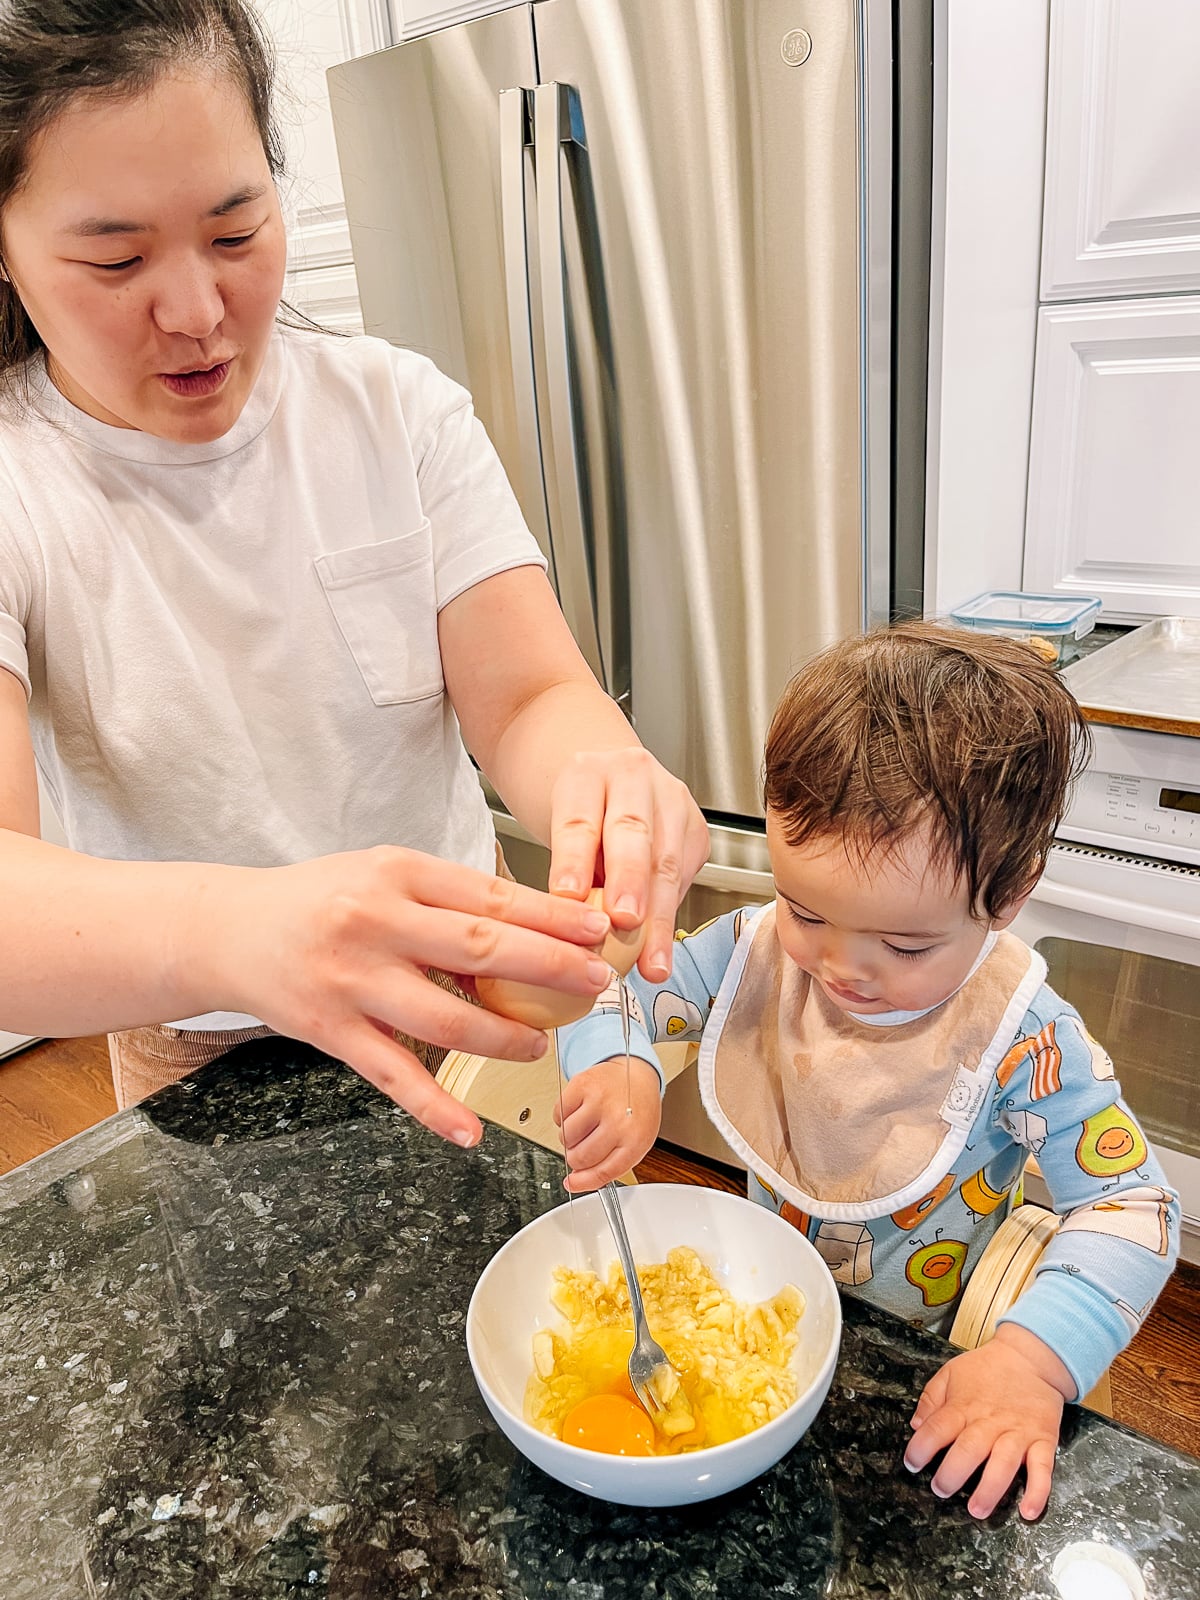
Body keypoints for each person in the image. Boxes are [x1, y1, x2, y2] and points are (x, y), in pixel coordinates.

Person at [0, 0, 707, 1139]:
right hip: (193, 1034)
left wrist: (605, 779)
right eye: (116, 257)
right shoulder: (19, 482)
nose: (195, 311)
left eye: (236, 234)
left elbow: (529, 698)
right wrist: (240, 931)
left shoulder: (395, 410)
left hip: (462, 999)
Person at [555, 622, 1180, 1521]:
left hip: (926, 1358)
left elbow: (1135, 1206)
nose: (843, 969)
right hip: (760, 1336)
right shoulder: (752, 952)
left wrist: (1030, 1360)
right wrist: (624, 1066)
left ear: (1006, 897)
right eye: (806, 909)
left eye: (906, 942)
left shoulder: (1022, 1037)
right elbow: (609, 997)